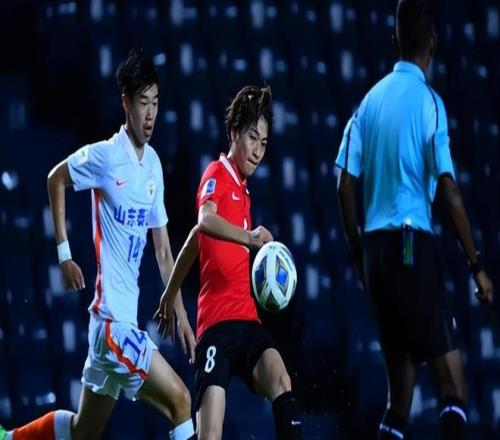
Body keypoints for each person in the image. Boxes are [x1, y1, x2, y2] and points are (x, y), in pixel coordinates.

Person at [0, 48, 197, 440]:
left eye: (156, 102)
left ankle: (10, 438)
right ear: (126, 103)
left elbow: (163, 252)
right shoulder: (106, 157)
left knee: (83, 431)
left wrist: (181, 313)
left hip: (114, 328)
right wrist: (64, 255)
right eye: (143, 103)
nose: (150, 114)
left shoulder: (154, 165)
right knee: (180, 400)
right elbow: (56, 178)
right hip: (112, 327)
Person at [335, 1, 494, 439]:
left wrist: (358, 252)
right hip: (410, 246)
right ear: (434, 43)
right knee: (454, 387)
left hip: (376, 257)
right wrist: (476, 265)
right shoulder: (430, 103)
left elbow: (343, 184)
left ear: (394, 41)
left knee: (400, 399)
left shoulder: (368, 103)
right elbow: (450, 191)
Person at [155, 85, 303, 440]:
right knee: (210, 433)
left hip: (248, 321)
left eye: (264, 142)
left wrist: (170, 294)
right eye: (252, 138)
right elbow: (204, 221)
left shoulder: (244, 191)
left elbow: (195, 239)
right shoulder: (216, 173)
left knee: (282, 381)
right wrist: (249, 237)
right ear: (234, 132)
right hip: (216, 326)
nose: (258, 150)